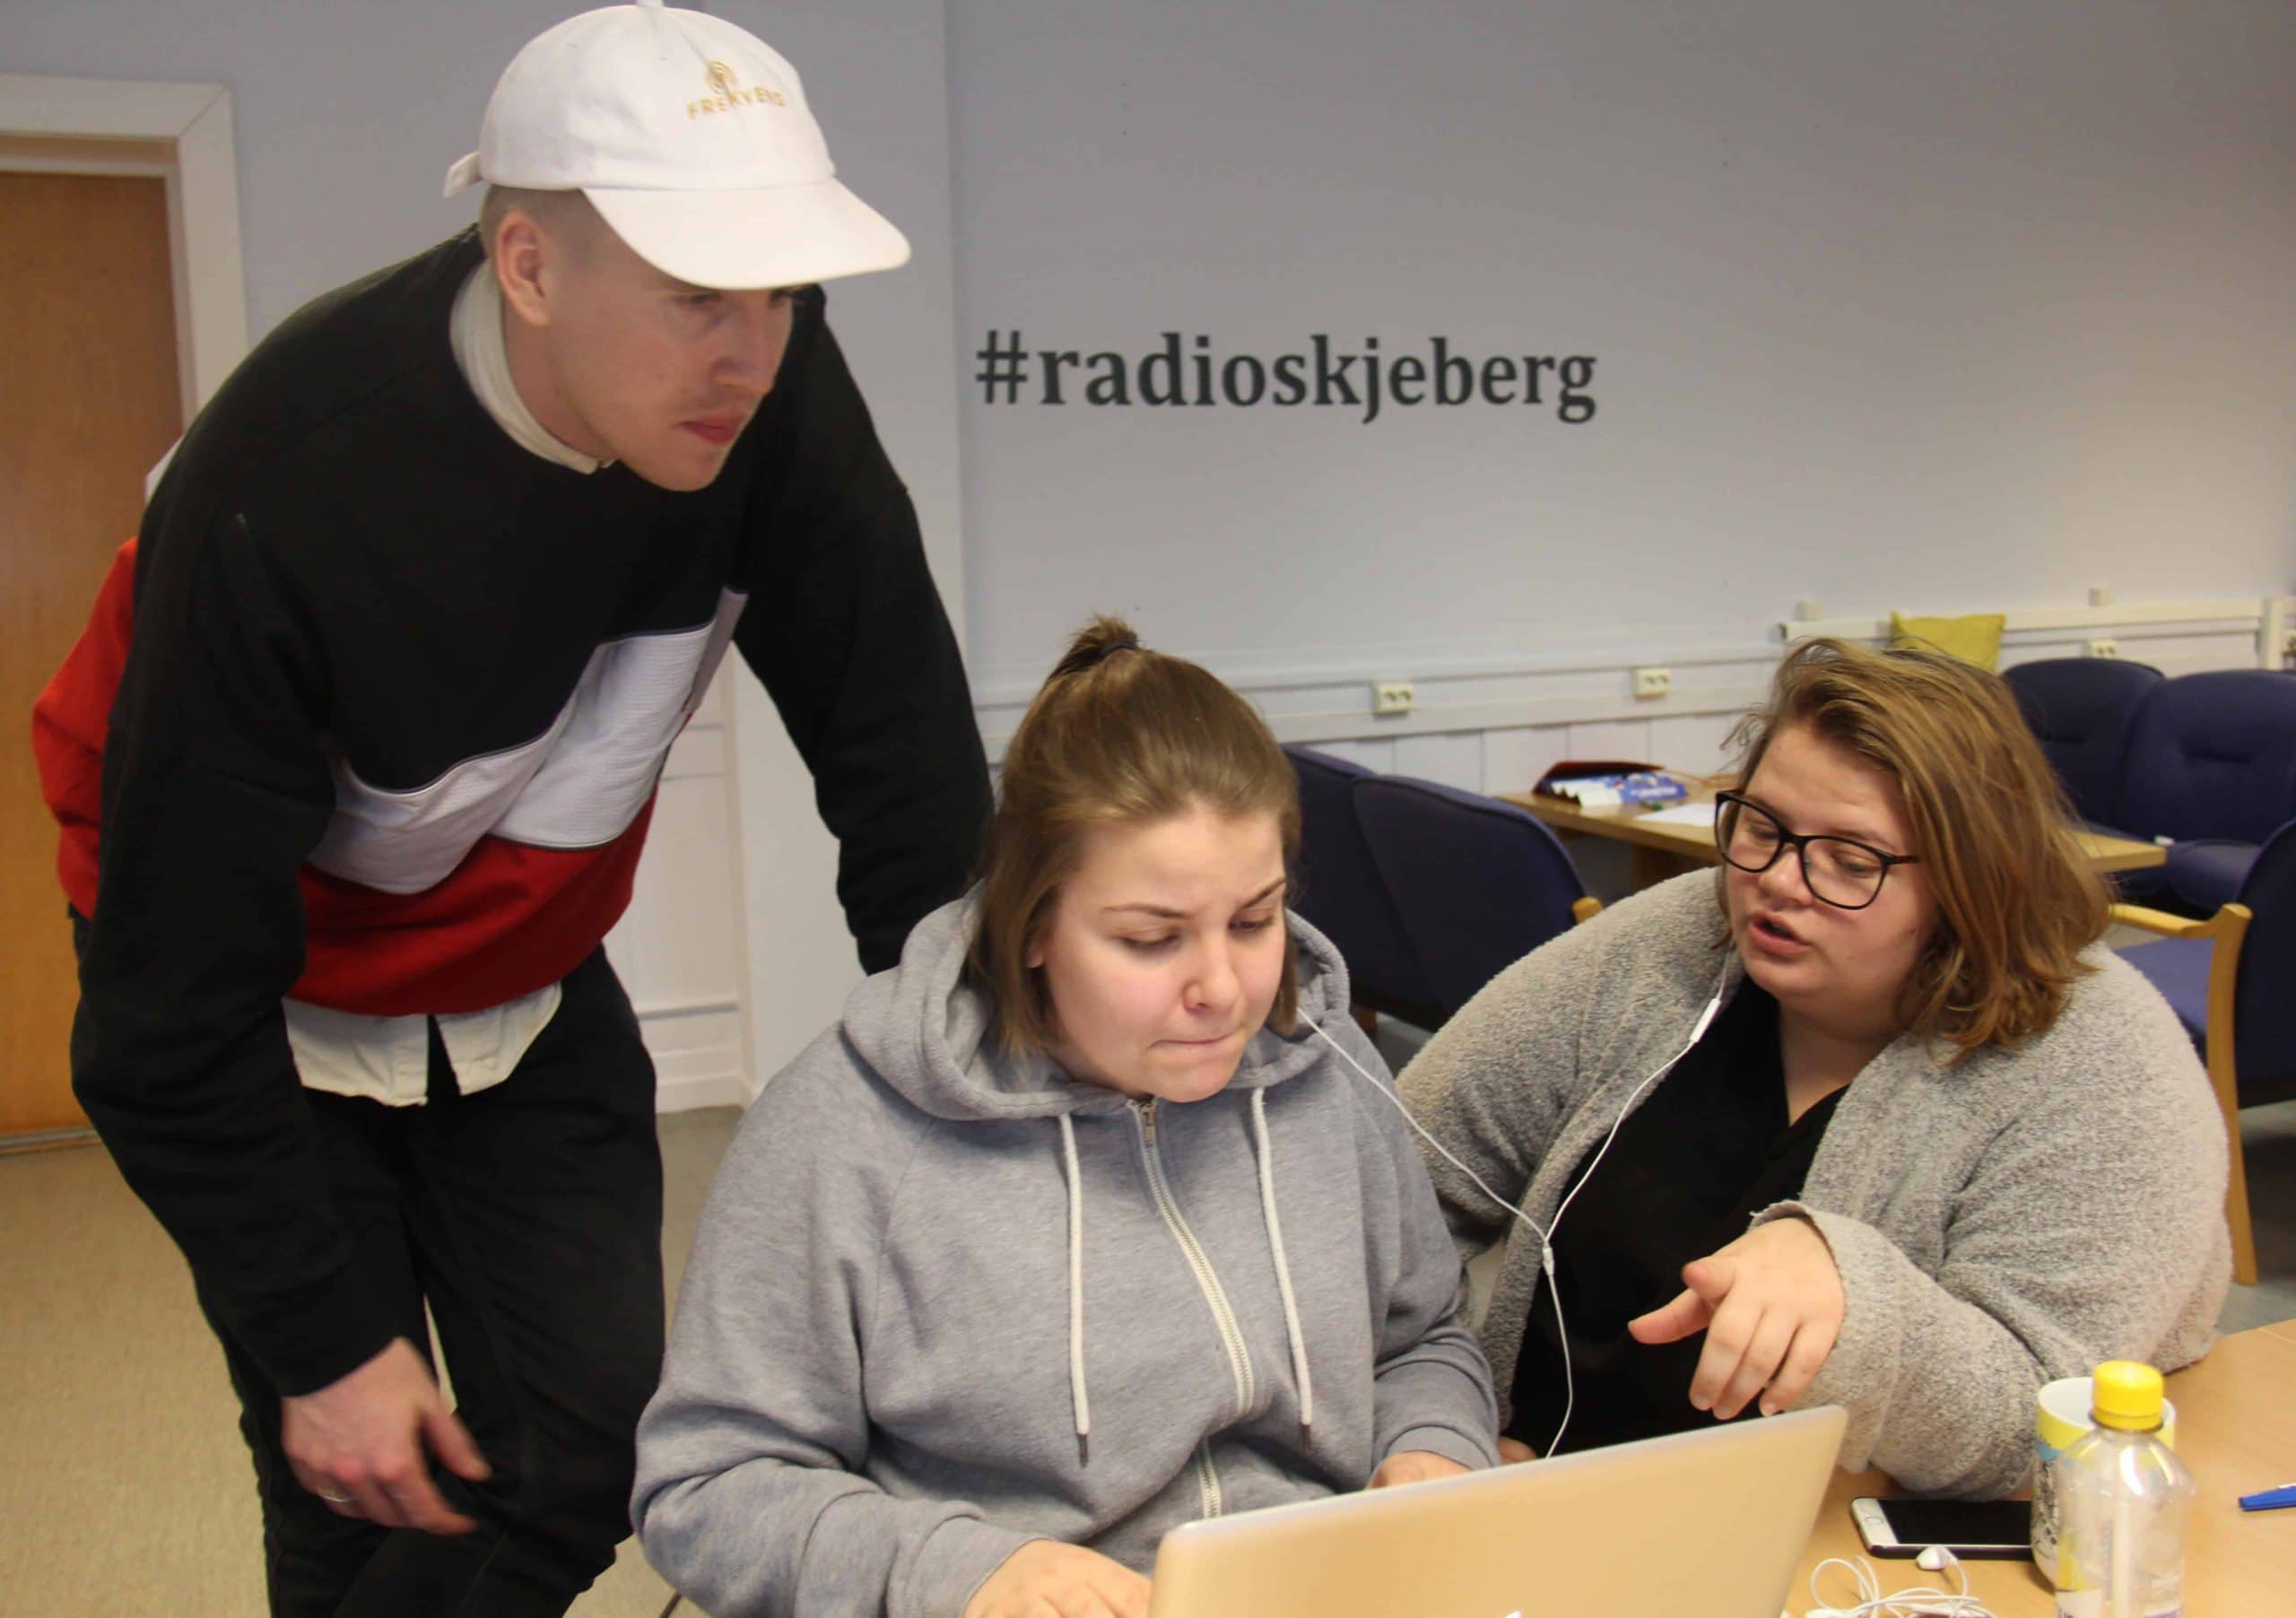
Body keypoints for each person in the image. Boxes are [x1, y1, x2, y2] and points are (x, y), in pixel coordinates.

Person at [31, 4, 989, 1613]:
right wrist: (325, 1345)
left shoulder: (770, 393)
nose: (753, 353)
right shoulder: (291, 479)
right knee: (351, 1471)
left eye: (781, 291)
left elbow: (900, 756)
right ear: (529, 265)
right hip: (254, 985)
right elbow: (163, 1008)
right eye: (697, 293)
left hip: (520, 969)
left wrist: (984, 1097)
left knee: (588, 1443)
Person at [631, 617, 1500, 1618]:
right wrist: (958, 1572)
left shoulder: (1329, 1068)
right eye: (1150, 939)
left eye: (1254, 920)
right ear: (1032, 925)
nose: (1223, 989)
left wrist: (1433, 1445)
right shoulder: (845, 1128)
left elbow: (1421, 1338)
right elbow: (709, 1486)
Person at [1398, 637, 2230, 1499]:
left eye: (1850, 861)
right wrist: (1437, 1424)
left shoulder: (2103, 1061)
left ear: (1973, 882)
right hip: (1532, 1493)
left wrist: (1858, 1302)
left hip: (1826, 1541)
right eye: (1762, 828)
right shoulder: (1677, 938)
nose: (1779, 882)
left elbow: (2037, 1424)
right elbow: (1395, 1185)